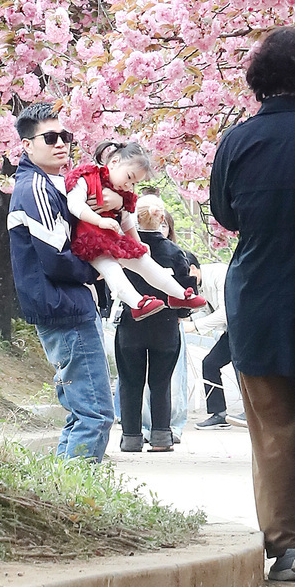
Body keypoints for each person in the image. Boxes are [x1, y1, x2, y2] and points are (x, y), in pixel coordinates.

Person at [209, 27, 295, 582]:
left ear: (259, 79)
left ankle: (283, 547)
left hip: (257, 299)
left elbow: (227, 216)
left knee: (272, 431)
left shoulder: (236, 142)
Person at [6, 103, 115, 462]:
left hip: (65, 306)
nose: (60, 144)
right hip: (63, 308)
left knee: (83, 412)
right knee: (95, 413)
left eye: (65, 137)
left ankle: (64, 492)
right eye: (49, 138)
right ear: (26, 145)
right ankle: (80, 506)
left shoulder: (48, 185)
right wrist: (94, 272)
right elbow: (54, 258)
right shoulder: (34, 187)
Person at [65, 143, 207, 317]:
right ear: (115, 161)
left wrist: (138, 244)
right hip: (88, 241)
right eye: (129, 177)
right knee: (112, 270)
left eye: (134, 183)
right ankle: (137, 303)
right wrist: (99, 221)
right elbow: (74, 204)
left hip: (112, 238)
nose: (128, 185)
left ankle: (179, 294)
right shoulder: (87, 177)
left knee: (143, 260)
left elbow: (127, 221)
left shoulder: (123, 194)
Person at [116, 195, 201, 455]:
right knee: (161, 382)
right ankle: (161, 435)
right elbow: (187, 291)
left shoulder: (124, 247)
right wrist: (182, 312)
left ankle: (131, 436)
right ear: (162, 219)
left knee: (130, 382)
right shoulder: (176, 253)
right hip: (165, 325)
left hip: (131, 322)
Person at [199, 329, 234, 428]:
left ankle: (252, 412)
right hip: (232, 331)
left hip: (247, 329)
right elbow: (206, 312)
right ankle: (220, 414)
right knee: (210, 364)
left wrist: (196, 326)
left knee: (243, 368)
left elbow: (223, 314)